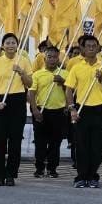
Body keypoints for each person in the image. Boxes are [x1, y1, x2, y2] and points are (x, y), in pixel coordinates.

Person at [65, 33, 102, 188]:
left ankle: (93, 176)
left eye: (94, 46)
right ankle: (81, 176)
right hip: (82, 109)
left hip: (99, 109)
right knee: (81, 145)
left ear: (98, 48)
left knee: (97, 146)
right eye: (88, 46)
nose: (91, 48)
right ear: (83, 49)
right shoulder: (77, 67)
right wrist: (72, 109)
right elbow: (69, 89)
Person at [0, 32, 34, 186]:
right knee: (0, 141)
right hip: (0, 101)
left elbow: (30, 83)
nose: (10, 45)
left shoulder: (23, 61)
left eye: (13, 42)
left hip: (17, 101)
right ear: (3, 45)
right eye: (7, 43)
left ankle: (11, 174)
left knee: (15, 141)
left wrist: (21, 72)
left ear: (17, 45)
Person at [28, 45, 69, 179]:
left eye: (54, 57)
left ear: (58, 59)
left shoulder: (64, 74)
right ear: (44, 59)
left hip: (59, 111)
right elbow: (31, 93)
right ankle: (39, 168)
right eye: (49, 57)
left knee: (55, 142)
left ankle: (52, 168)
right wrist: (35, 110)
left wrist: (63, 82)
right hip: (41, 111)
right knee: (40, 141)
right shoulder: (37, 74)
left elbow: (71, 92)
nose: (52, 60)